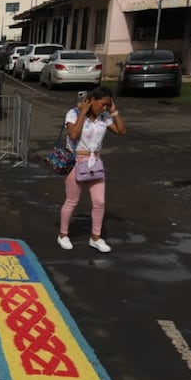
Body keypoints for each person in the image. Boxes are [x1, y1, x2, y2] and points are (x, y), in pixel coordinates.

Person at [57, 86, 126, 254]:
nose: (104, 108)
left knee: (99, 201)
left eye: (107, 105)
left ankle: (95, 237)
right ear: (91, 100)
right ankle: (63, 234)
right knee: (72, 201)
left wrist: (114, 111)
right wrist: (83, 112)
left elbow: (121, 131)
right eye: (103, 104)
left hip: (95, 162)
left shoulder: (104, 117)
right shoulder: (73, 113)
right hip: (76, 161)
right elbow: (73, 135)